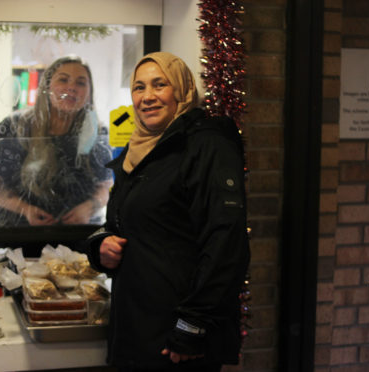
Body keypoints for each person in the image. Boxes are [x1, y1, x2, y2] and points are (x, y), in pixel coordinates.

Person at [85, 52, 250, 371]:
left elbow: (226, 243)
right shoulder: (138, 152)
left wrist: (192, 326)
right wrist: (101, 246)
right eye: (139, 87)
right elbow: (123, 223)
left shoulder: (207, 145)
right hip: (137, 329)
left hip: (176, 340)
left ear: (182, 90)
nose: (147, 96)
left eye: (160, 85)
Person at [0, 55, 113, 226]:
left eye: (80, 83)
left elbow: (107, 185)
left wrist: (89, 208)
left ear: (89, 92)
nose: (71, 88)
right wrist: (24, 209)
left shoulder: (98, 132)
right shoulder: (15, 127)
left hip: (78, 233)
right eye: (63, 80)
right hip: (18, 233)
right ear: (47, 85)